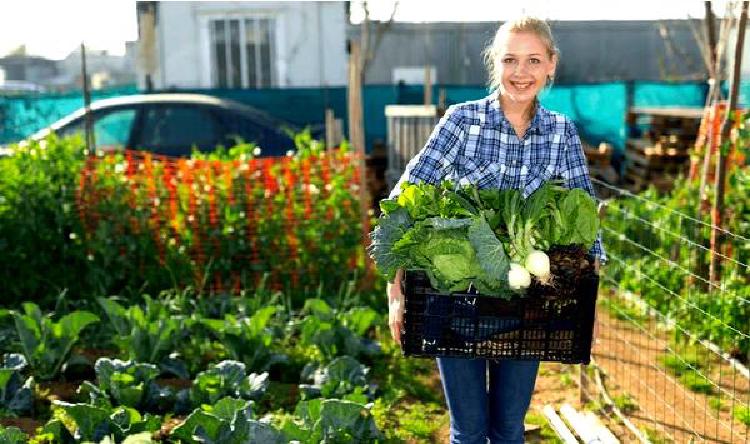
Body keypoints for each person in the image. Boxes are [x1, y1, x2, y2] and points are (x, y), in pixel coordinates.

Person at [385, 16, 606, 444]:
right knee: (468, 431)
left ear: (551, 66)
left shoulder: (561, 133)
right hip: (455, 299)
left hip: (527, 301)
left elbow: (587, 229)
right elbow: (403, 202)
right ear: (495, 64)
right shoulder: (460, 122)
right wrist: (397, 293)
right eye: (510, 60)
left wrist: (589, 304)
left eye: (533, 60)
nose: (520, 72)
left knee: (507, 429)